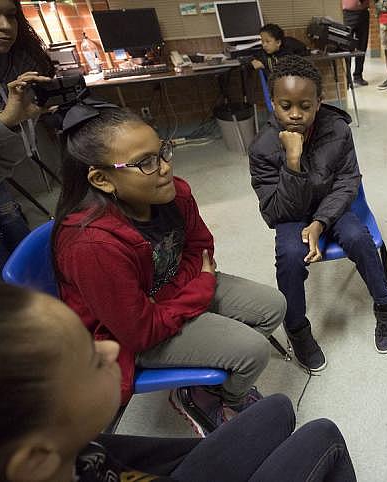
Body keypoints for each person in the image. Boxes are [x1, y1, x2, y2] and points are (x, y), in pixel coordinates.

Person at [52, 101, 286, 437]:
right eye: (145, 162)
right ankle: (215, 399)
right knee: (252, 352)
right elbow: (139, 332)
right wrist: (200, 289)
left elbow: (201, 248)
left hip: (167, 297)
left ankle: (211, 384)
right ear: (102, 179)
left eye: (161, 152)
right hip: (125, 335)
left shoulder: (174, 193)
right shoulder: (92, 246)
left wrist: (181, 294)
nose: (163, 168)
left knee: (272, 307)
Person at [0, 282, 356, 482]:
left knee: (276, 408)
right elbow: (139, 329)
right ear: (34, 461)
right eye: (92, 360)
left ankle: (203, 399)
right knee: (324, 437)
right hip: (160, 325)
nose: (110, 350)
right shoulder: (94, 246)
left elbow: (168, 455)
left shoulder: (72, 448)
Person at [249, 55, 387, 371]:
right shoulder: (262, 147)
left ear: (319, 102)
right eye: (285, 105)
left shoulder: (337, 130)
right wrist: (292, 162)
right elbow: (274, 211)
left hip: (331, 206)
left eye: (305, 105)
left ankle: (385, 303)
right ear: (272, 103)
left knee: (359, 237)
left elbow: (348, 181)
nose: (295, 114)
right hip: (290, 214)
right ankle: (298, 329)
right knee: (289, 256)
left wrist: (320, 222)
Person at [0, 0, 54, 280]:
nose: (5, 26)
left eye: (11, 16)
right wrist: (5, 120)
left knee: (13, 226)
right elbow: (9, 123)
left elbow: (19, 139)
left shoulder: (12, 64)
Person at [342, 0, 370, 86]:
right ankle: (347, 78)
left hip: (363, 13)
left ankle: (358, 76)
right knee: (347, 47)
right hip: (348, 14)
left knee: (362, 46)